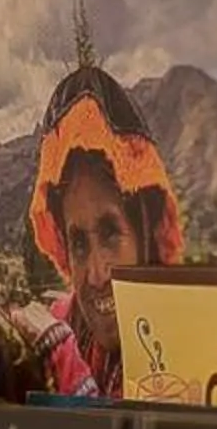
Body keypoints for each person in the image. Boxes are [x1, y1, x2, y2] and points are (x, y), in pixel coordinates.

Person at [26, 54, 184, 398]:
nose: (96, 274)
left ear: (146, 232)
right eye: (79, 243)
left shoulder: (186, 351)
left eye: (111, 233)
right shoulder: (64, 323)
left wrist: (63, 365)